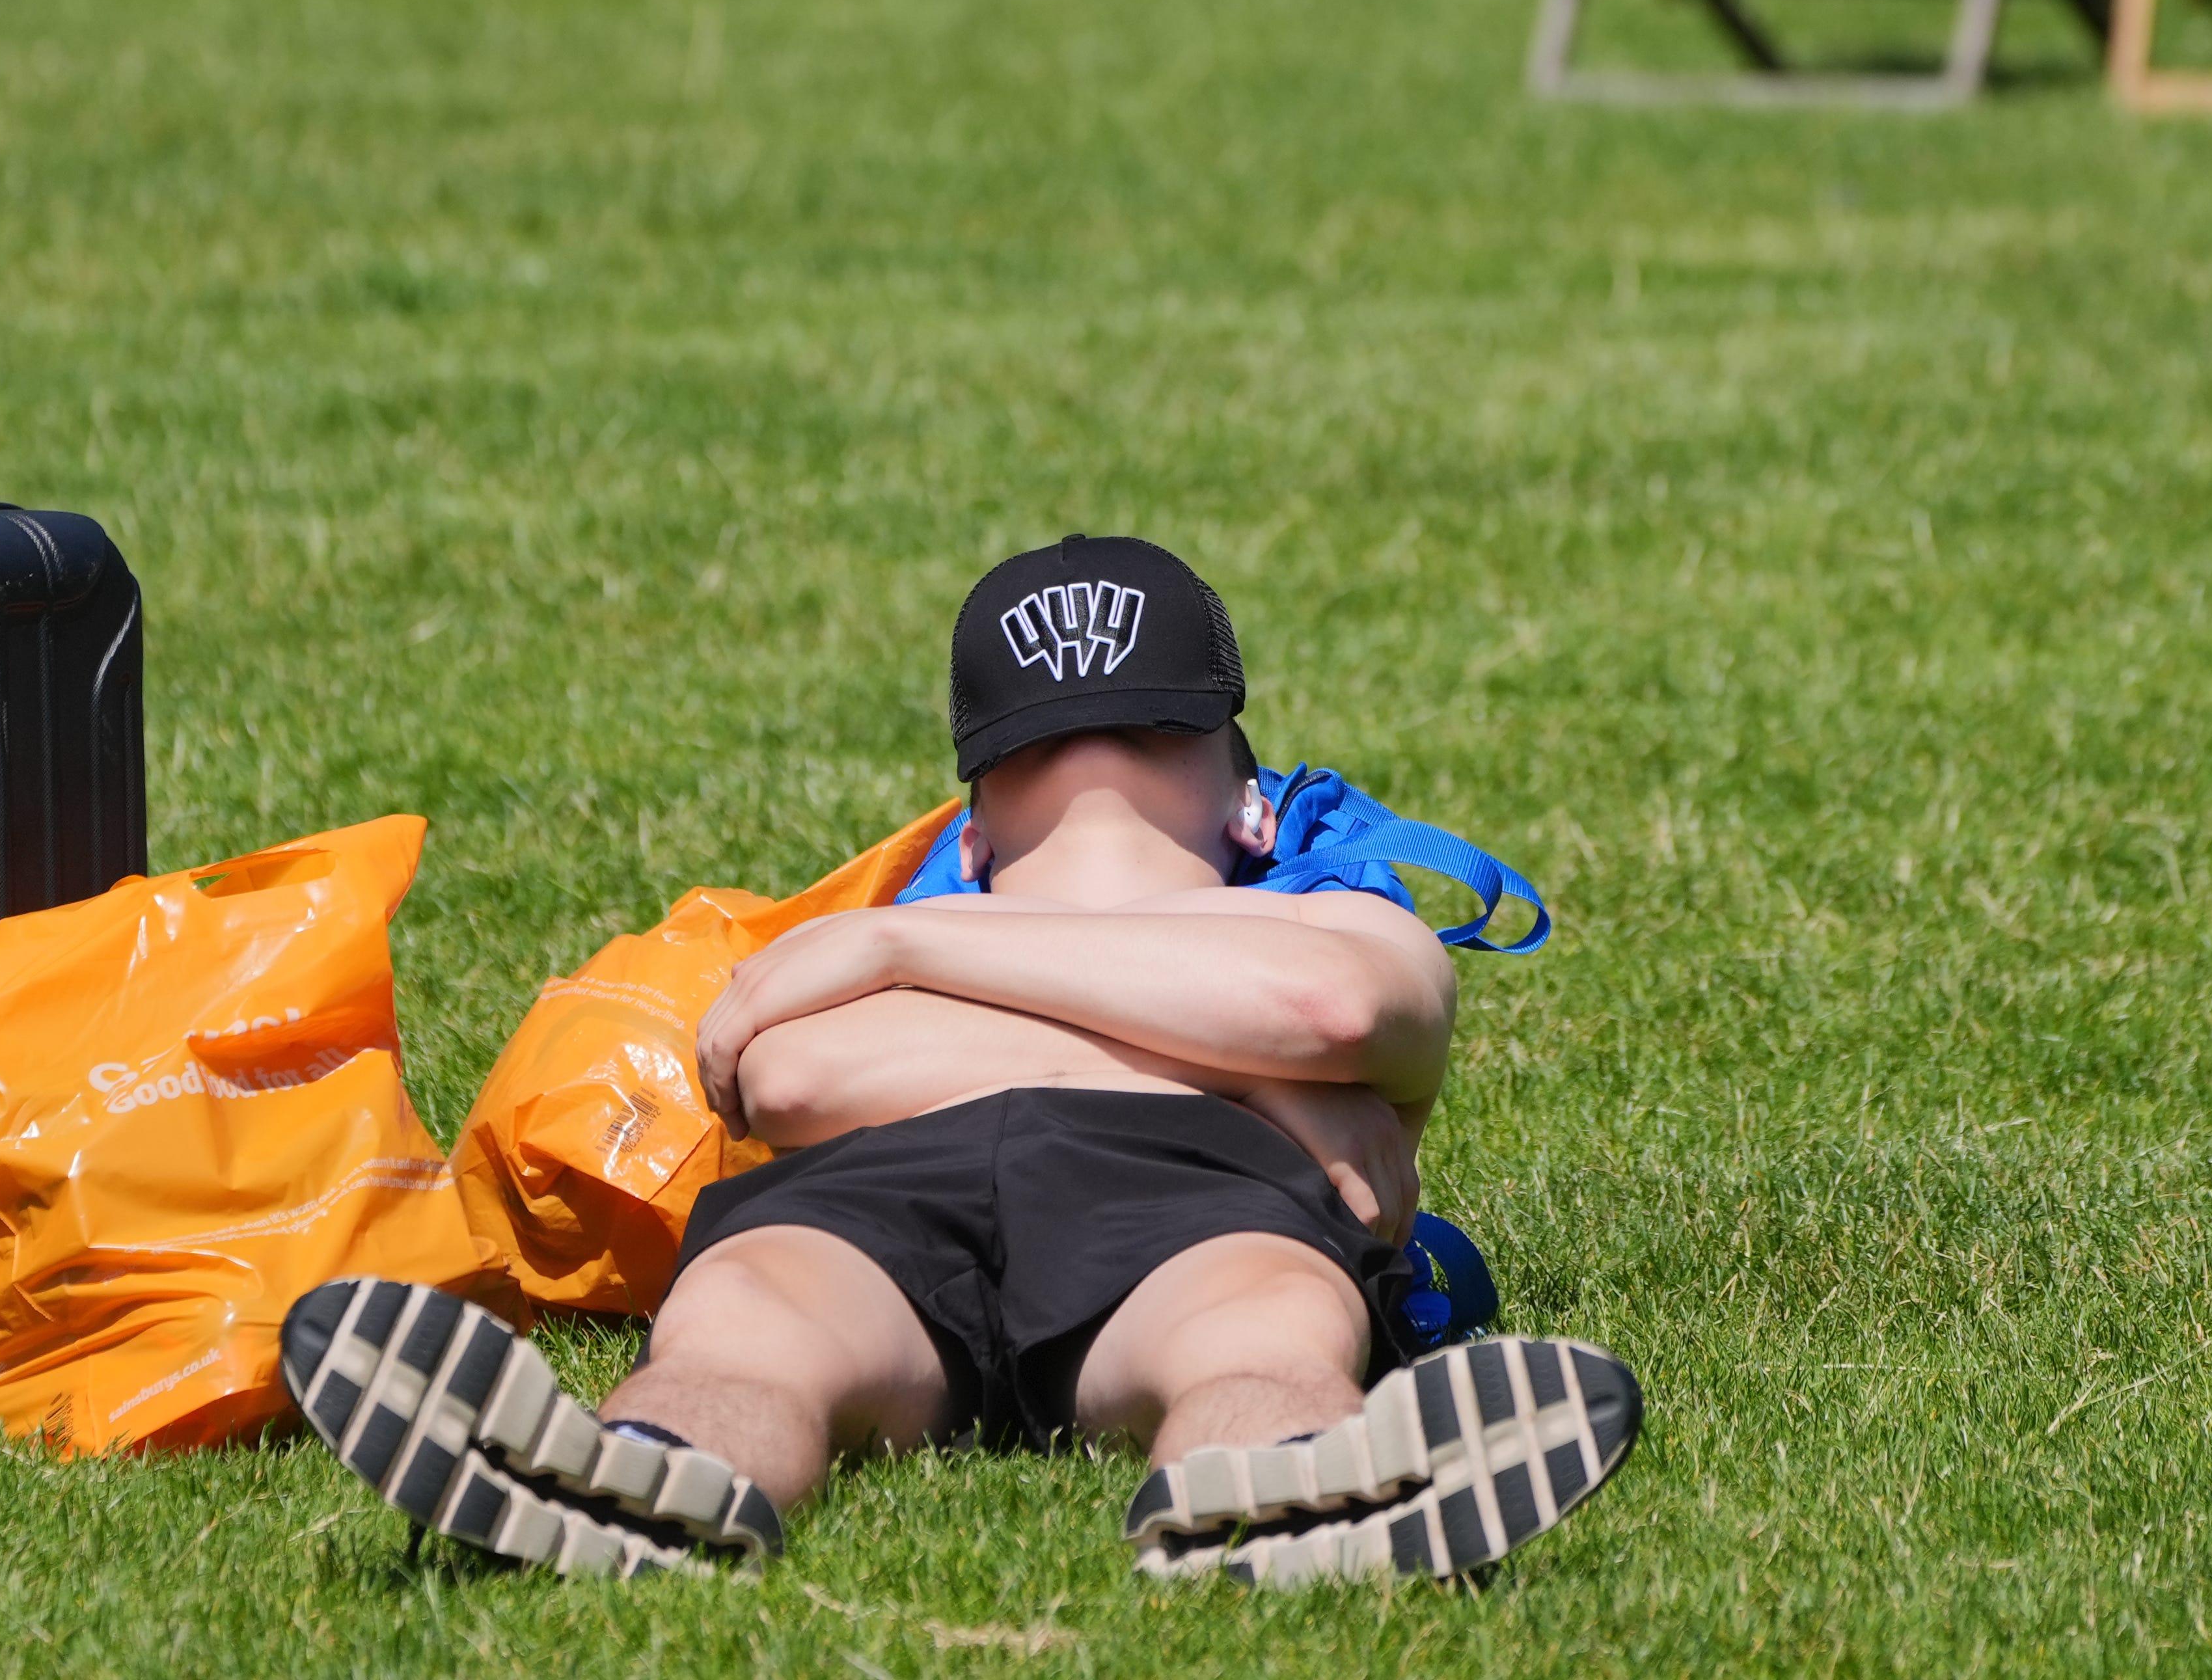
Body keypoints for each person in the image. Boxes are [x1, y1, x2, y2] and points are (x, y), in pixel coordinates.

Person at [282, 534, 1641, 1590]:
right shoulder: (1277, 911)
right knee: (761, 1316)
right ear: (1249, 798)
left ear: (972, 826)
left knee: (1228, 1319)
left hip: (1040, 1189)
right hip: (1150, 1182)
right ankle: (644, 1472)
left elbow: (1331, 997)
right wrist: (1258, 1082)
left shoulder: (943, 932)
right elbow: (794, 1079)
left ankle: (653, 1460)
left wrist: (907, 957)